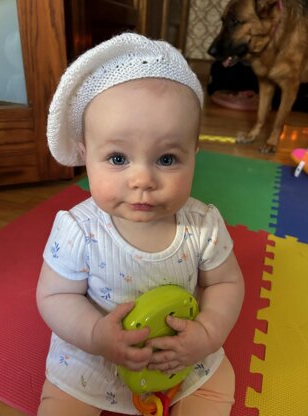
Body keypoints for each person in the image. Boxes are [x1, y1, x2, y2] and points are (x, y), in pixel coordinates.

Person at [36, 32, 245, 416]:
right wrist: (97, 336)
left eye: (166, 159)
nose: (142, 180)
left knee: (215, 388)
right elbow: (54, 296)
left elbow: (226, 282)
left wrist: (207, 333)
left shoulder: (202, 225)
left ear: (195, 153)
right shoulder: (78, 230)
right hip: (95, 356)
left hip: (178, 354)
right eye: (117, 159)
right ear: (85, 155)